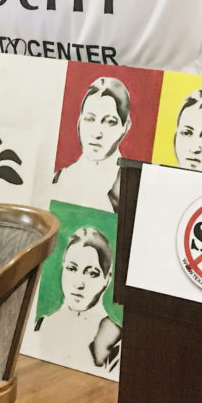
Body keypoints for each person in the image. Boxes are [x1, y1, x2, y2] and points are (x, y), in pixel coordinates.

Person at [31, 226, 119, 375]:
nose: (78, 284)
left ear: (107, 279)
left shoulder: (115, 338)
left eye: (92, 273)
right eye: (72, 269)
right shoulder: (41, 325)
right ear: (63, 269)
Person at [52, 77, 131, 211]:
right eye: (89, 119)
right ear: (79, 122)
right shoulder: (60, 178)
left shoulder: (127, 187)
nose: (96, 133)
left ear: (125, 126)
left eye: (110, 121)